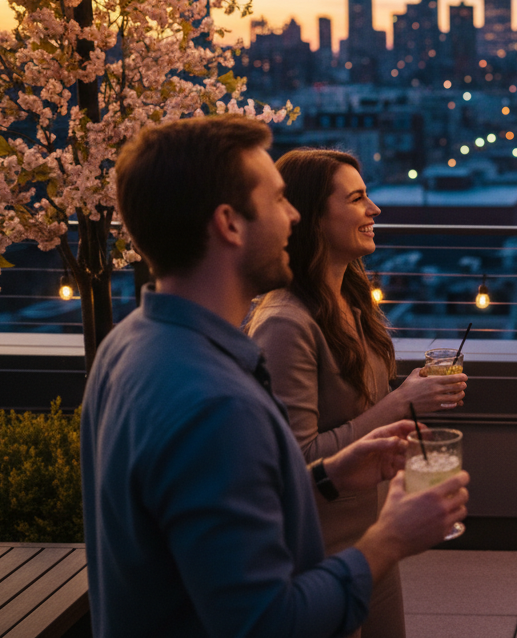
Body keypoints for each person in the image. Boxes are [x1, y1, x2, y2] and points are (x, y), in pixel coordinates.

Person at [81, 115, 470, 638]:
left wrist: (328, 475)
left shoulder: (127, 347)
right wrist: (388, 541)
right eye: (279, 200)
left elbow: (215, 518)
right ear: (230, 223)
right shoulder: (215, 401)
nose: (293, 216)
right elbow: (268, 621)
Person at [247, 149, 467, 638]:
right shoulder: (285, 324)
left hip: (370, 538)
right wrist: (401, 403)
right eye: (357, 198)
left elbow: (355, 404)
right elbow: (297, 461)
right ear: (312, 218)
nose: (375, 210)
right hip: (320, 552)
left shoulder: (349, 298)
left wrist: (409, 396)